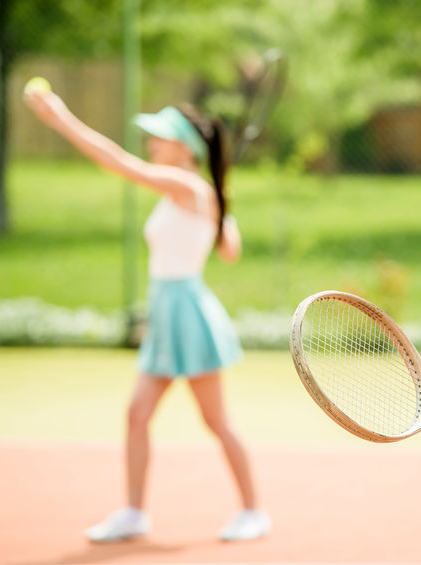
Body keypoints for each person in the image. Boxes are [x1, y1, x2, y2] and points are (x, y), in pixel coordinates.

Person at [24, 89, 271, 543]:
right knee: (137, 414)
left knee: (216, 421)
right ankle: (135, 513)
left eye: (160, 138)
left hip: (188, 314)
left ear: (184, 148)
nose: (152, 144)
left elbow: (120, 164)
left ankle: (254, 511)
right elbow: (230, 251)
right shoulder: (198, 192)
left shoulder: (191, 187)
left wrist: (62, 119)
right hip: (166, 312)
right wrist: (223, 215)